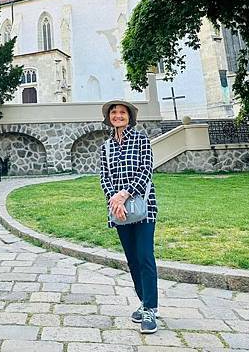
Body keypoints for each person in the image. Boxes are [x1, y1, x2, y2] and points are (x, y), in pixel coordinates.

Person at [99, 100, 159, 334]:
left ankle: (150, 308)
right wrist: (114, 200)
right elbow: (104, 176)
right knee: (132, 259)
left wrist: (124, 194)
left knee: (145, 256)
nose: (118, 116)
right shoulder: (105, 147)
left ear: (129, 117)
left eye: (122, 112)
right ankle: (145, 302)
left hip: (143, 207)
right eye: (114, 113)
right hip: (119, 210)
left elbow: (146, 171)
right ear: (109, 118)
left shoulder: (142, 140)